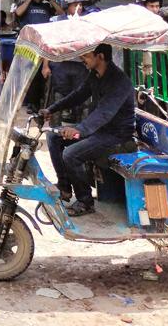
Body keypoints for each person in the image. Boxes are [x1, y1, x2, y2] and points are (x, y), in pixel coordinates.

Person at [41, 44, 136, 216]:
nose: (81, 60)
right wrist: (52, 109)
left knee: (71, 154)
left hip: (117, 136)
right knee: (53, 137)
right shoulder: (95, 75)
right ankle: (64, 187)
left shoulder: (119, 81)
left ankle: (85, 201)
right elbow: (78, 95)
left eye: (85, 57)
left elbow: (104, 113)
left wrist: (79, 129)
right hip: (100, 130)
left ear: (100, 57)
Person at [41, 0, 101, 126]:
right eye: (75, 5)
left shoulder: (88, 21)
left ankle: (82, 130)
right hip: (61, 66)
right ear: (68, 6)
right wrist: (45, 66)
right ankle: (54, 131)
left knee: (84, 100)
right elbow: (47, 45)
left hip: (82, 66)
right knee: (58, 98)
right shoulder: (56, 21)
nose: (78, 8)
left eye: (80, 5)